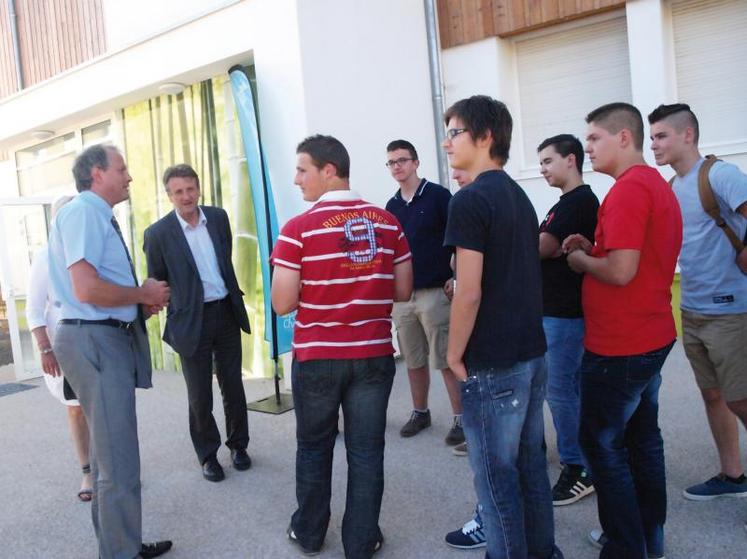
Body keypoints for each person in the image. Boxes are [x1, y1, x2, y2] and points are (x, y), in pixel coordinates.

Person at [270, 134, 413, 558]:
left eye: (302, 169)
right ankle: (361, 540)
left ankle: (310, 534)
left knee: (314, 448)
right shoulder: (389, 223)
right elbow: (403, 290)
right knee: (367, 451)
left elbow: (282, 303)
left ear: (328, 170)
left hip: (317, 357)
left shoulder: (297, 231)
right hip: (372, 354)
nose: (296, 179)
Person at [443, 95, 561, 559]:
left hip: (493, 361)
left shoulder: (470, 200)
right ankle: (544, 551)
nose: (448, 141)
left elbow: (468, 291)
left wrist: (453, 355)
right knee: (530, 466)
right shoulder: (517, 194)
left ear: (485, 136)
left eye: (455, 132)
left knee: (495, 479)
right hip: (530, 354)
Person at [563, 103, 682, 559]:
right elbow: (630, 255)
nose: (587, 148)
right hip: (646, 335)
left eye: (594, 139)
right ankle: (649, 539)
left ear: (623, 139)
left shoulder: (630, 190)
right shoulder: (649, 184)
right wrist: (591, 247)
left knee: (604, 448)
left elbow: (620, 271)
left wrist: (579, 261)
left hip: (621, 344)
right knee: (642, 441)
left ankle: (626, 548)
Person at [48, 144, 173, 559]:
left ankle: (119, 544)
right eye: (122, 168)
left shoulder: (94, 214)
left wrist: (136, 303)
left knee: (108, 455)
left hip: (98, 334)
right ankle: (120, 552)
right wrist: (141, 292)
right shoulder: (85, 211)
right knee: (118, 460)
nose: (129, 176)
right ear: (97, 173)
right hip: (95, 338)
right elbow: (86, 288)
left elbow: (93, 286)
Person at [648, 103, 747, 500]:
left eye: (661, 136)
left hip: (731, 309)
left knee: (740, 398)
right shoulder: (673, 187)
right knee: (713, 395)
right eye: (651, 137)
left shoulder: (719, 174)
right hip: (693, 307)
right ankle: (733, 476)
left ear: (687, 134)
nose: (653, 145)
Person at [143, 164, 252, 482]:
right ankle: (208, 455)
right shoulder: (158, 234)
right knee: (199, 393)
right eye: (178, 191)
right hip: (192, 321)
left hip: (226, 312)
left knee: (233, 385)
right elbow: (157, 282)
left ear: (199, 188)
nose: (186, 196)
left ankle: (239, 446)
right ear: (169, 195)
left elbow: (225, 258)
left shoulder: (218, 218)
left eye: (190, 189)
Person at [384, 139, 462, 444]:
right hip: (404, 297)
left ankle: (461, 418)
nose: (397, 167)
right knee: (413, 359)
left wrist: (456, 276)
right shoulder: (391, 206)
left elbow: (458, 239)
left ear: (416, 162)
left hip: (435, 292)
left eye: (402, 160)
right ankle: (420, 412)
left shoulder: (439, 197)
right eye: (391, 162)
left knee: (444, 358)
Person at [537, 134, 599, 506]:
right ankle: (580, 458)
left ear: (570, 160)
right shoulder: (563, 204)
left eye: (548, 161)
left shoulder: (579, 202)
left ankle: (578, 467)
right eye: (540, 163)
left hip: (565, 314)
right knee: (562, 390)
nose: (542, 169)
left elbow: (544, 246)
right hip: (555, 312)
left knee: (561, 392)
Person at [26, 194, 93, 502]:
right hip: (66, 347)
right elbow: (34, 310)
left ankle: (115, 470)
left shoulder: (94, 252)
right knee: (77, 409)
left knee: (107, 410)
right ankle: (88, 472)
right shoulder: (45, 258)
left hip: (99, 343)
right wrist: (44, 348)